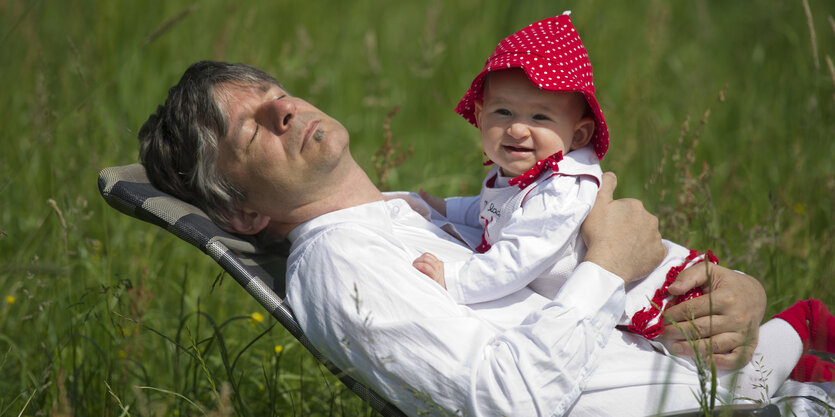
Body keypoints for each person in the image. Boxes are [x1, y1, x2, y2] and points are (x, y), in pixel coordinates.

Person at [137, 60, 832, 415]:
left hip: (726, 380)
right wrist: (610, 265)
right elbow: (505, 403)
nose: (283, 108)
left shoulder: (407, 214)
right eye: (253, 127)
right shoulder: (339, 266)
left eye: (273, 94)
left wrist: (739, 293)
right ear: (243, 213)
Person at [410, 12, 835, 396]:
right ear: (481, 115)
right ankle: (803, 366)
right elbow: (491, 212)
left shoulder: (562, 189)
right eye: (502, 112)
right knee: (714, 370)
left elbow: (522, 254)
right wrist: (442, 209)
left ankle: (807, 322)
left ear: (577, 136)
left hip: (659, 293)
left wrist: (458, 279)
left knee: (731, 373)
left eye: (540, 117)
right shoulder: (512, 176)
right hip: (615, 296)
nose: (517, 128)